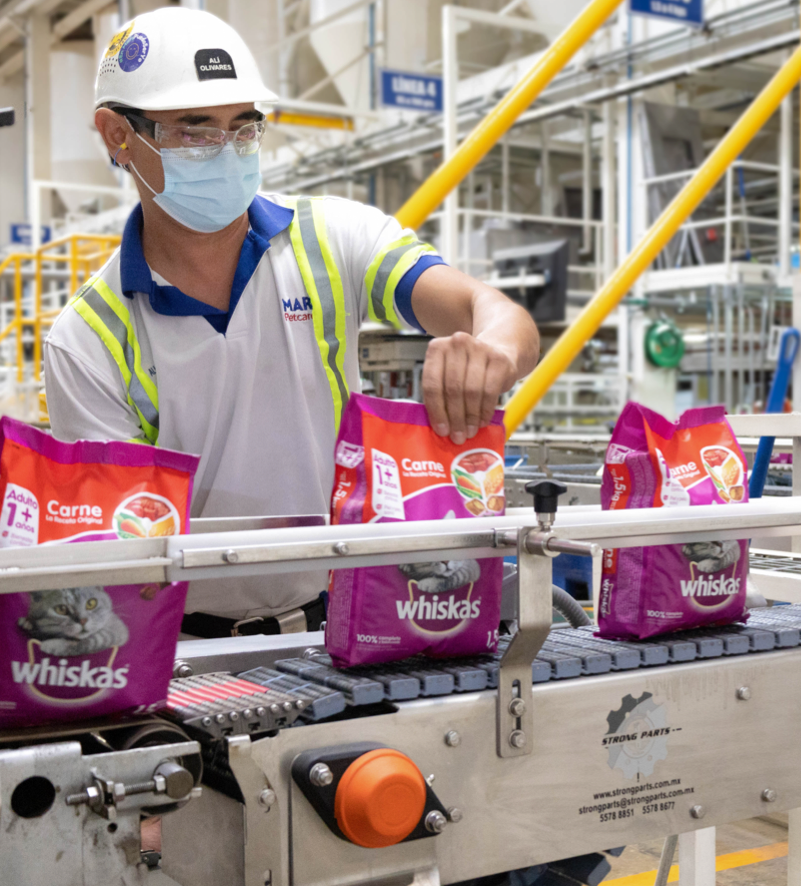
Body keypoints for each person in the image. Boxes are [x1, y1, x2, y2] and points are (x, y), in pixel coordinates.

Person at [44, 8, 539, 636]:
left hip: (340, 620)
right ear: (117, 134)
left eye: (244, 129)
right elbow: (123, 555)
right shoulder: (89, 338)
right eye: (196, 132)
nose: (226, 153)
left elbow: (492, 311)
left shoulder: (332, 239)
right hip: (186, 648)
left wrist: (493, 345)